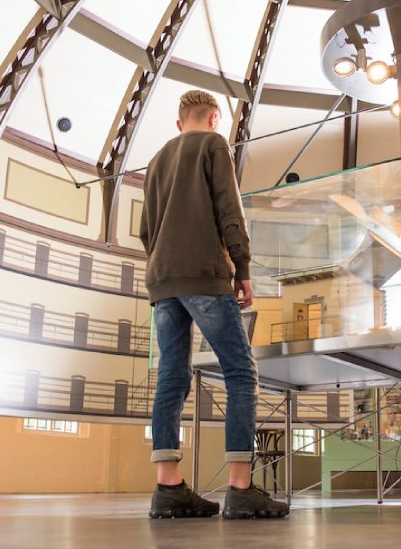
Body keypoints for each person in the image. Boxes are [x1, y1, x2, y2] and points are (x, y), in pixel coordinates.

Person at [141, 90, 288, 520]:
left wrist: (164, 266)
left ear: (178, 122)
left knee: (171, 378)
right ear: (214, 118)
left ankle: (167, 486)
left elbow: (146, 230)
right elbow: (229, 208)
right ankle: (240, 488)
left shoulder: (155, 161)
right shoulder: (214, 144)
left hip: (162, 280)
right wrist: (242, 266)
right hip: (204, 272)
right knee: (241, 373)